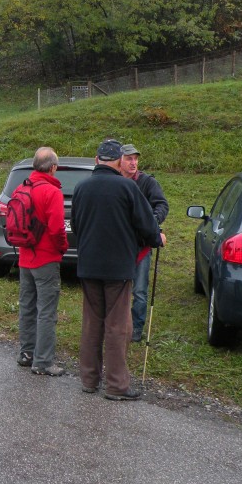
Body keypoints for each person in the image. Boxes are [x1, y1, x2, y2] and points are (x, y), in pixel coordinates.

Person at [71, 138, 165, 400]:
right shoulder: (126, 187)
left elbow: (76, 225)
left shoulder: (81, 187)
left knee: (91, 323)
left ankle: (89, 380)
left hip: (88, 264)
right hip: (118, 267)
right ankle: (116, 386)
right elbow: (147, 225)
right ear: (117, 161)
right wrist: (157, 238)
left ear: (97, 159)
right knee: (117, 325)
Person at [16, 146, 69, 376]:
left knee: (27, 307)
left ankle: (27, 353)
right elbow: (57, 228)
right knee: (46, 311)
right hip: (46, 259)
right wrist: (63, 248)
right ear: (53, 167)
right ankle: (43, 361)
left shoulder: (22, 187)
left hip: (25, 257)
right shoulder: (52, 192)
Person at [120, 143, 169, 342]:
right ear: (119, 161)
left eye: (135, 159)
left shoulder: (148, 182)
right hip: (120, 245)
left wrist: (152, 222)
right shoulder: (115, 181)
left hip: (141, 245)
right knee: (119, 289)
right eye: (129, 159)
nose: (133, 163)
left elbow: (162, 205)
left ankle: (137, 329)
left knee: (139, 290)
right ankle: (119, 325)